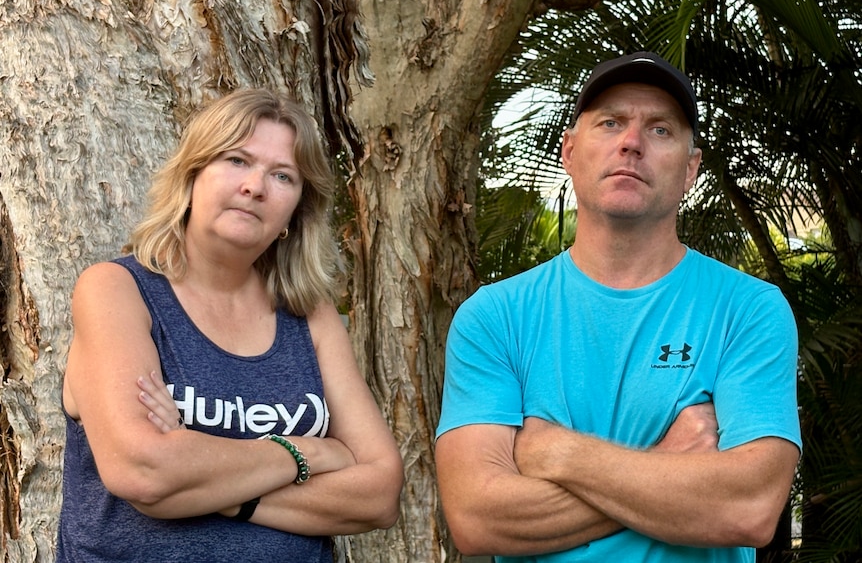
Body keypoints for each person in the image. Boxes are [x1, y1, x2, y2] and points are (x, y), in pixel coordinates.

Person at [435, 51, 801, 562]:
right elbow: (477, 519)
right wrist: (668, 461)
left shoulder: (748, 311)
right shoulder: (494, 317)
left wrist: (555, 452)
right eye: (610, 123)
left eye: (660, 130)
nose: (631, 142)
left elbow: (749, 508)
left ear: (691, 169)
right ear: (569, 151)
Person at [58, 88, 404, 562]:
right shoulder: (117, 290)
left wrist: (206, 476)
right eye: (237, 160)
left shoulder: (309, 315)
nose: (255, 187)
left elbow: (380, 493)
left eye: (282, 176)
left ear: (295, 211)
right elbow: (144, 472)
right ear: (192, 175)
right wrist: (308, 454)